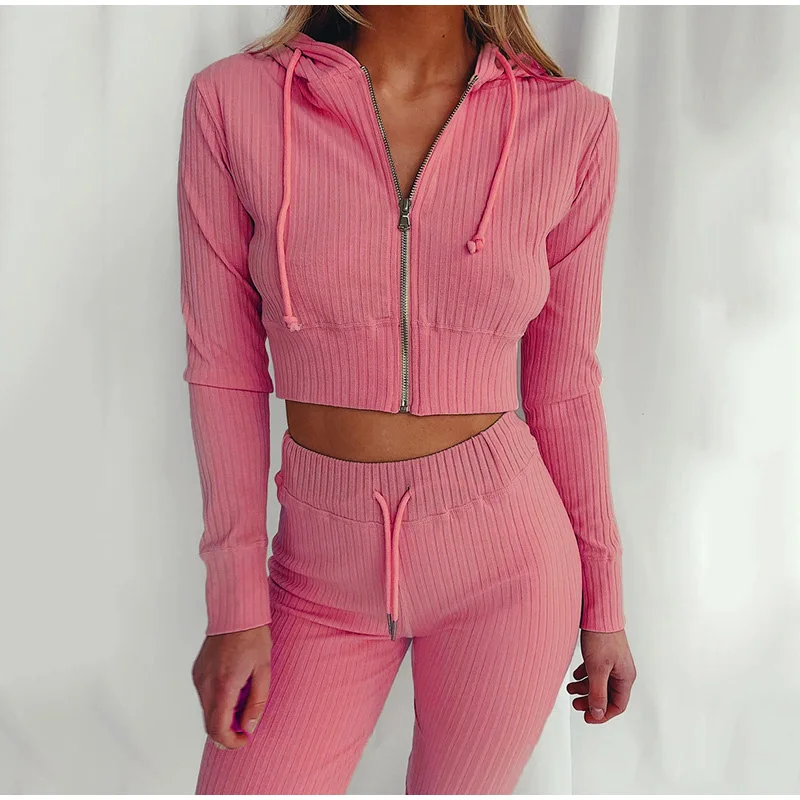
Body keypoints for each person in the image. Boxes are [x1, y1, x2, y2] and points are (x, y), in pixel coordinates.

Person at [177, 4, 637, 794]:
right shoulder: (234, 101)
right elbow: (224, 369)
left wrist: (606, 605)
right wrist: (234, 604)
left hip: (509, 565)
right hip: (316, 568)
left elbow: (565, 383)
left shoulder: (571, 123)